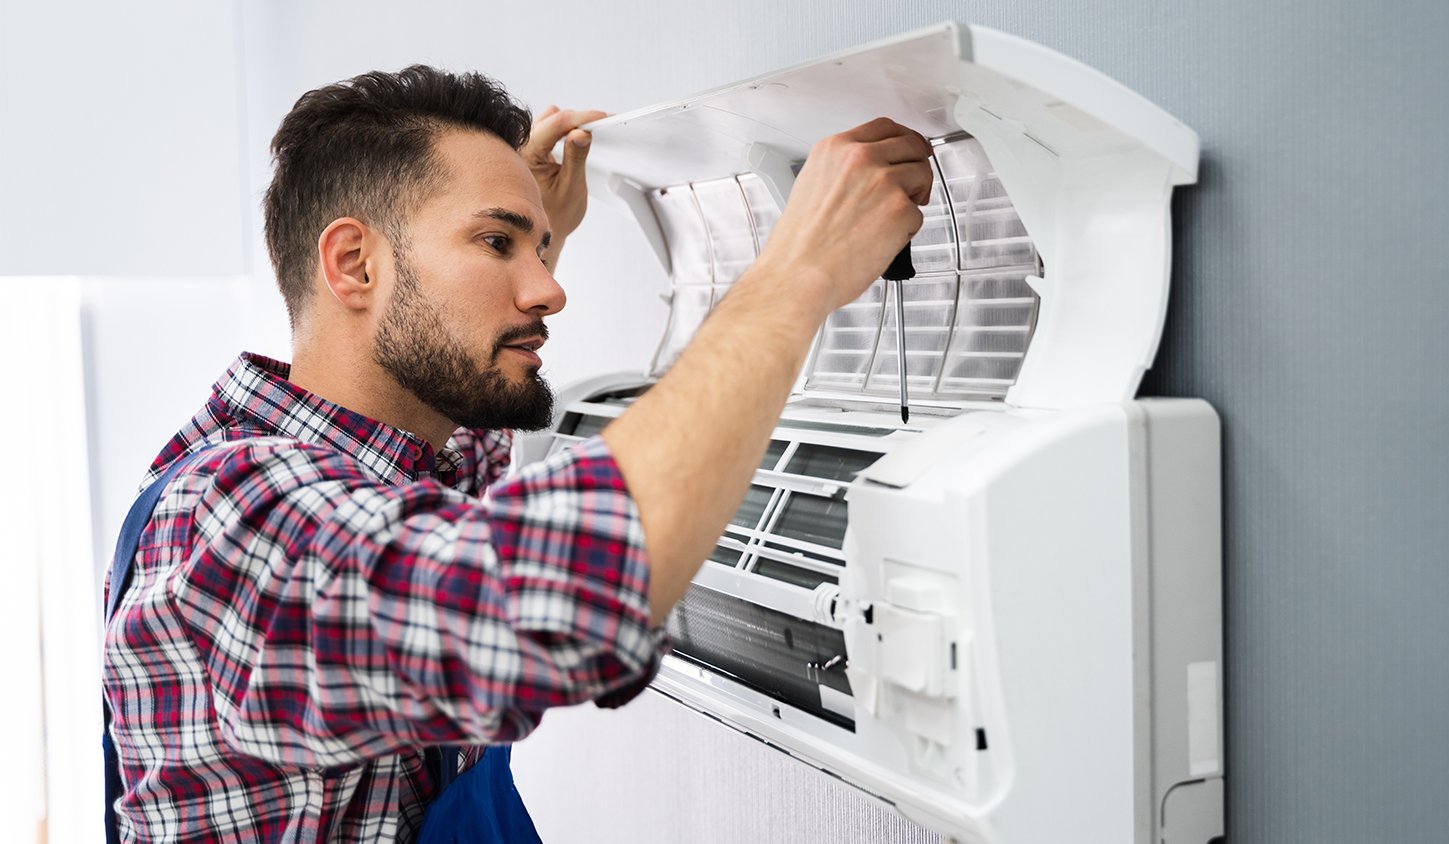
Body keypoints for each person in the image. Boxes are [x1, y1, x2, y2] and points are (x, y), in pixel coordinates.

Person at [102, 65, 932, 842]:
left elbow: (461, 444)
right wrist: (799, 271)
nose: (550, 290)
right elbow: (544, 599)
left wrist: (521, 227)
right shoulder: (231, 518)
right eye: (497, 244)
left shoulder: (384, 459)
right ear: (354, 264)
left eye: (537, 251)